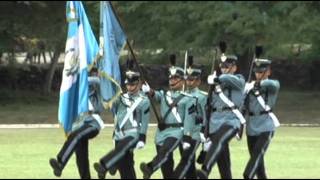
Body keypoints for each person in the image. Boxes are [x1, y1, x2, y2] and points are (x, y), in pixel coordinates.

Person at [140, 54, 196, 179]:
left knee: (165, 151)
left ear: (182, 80)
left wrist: (187, 137)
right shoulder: (165, 94)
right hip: (162, 132)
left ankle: (150, 167)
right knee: (166, 167)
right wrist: (148, 90)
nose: (172, 80)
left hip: (177, 131)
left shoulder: (188, 98)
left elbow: (189, 120)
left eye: (176, 78)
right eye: (171, 78)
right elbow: (155, 95)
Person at [93, 59, 150, 179]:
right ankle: (114, 166)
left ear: (139, 84)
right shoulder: (121, 98)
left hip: (133, 134)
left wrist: (142, 138)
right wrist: (104, 80)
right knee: (126, 166)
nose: (130, 87)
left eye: (133, 84)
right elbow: (110, 99)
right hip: (119, 134)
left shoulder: (144, 101)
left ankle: (105, 165)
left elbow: (144, 121)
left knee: (122, 148)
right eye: (128, 84)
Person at [197, 53, 246, 179]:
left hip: (231, 120)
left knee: (219, 140)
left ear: (234, 68)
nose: (224, 69)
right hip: (214, 124)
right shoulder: (215, 84)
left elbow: (238, 82)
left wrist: (219, 78)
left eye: (227, 66)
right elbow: (208, 108)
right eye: (222, 67)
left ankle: (205, 171)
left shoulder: (238, 79)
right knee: (223, 163)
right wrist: (205, 130)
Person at [49, 67, 105, 179]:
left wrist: (83, 79)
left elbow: (98, 81)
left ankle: (60, 163)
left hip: (92, 123)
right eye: (90, 73)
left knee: (76, 136)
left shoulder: (98, 87)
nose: (94, 75)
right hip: (79, 125)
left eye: (94, 73)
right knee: (81, 157)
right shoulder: (78, 91)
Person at [243, 58, 280, 179]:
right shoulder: (249, 88)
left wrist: (257, 84)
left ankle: (247, 175)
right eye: (257, 72)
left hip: (266, 126)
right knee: (258, 165)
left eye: (262, 72)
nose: (258, 74)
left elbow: (272, 85)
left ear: (268, 72)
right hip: (251, 127)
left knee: (256, 156)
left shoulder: (272, 84)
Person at [172, 55, 207, 179]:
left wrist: (205, 134)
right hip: (182, 133)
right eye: (188, 79)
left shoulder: (202, 96)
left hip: (195, 134)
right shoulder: (182, 95)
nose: (189, 82)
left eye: (192, 80)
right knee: (189, 165)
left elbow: (205, 116)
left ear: (198, 81)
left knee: (185, 160)